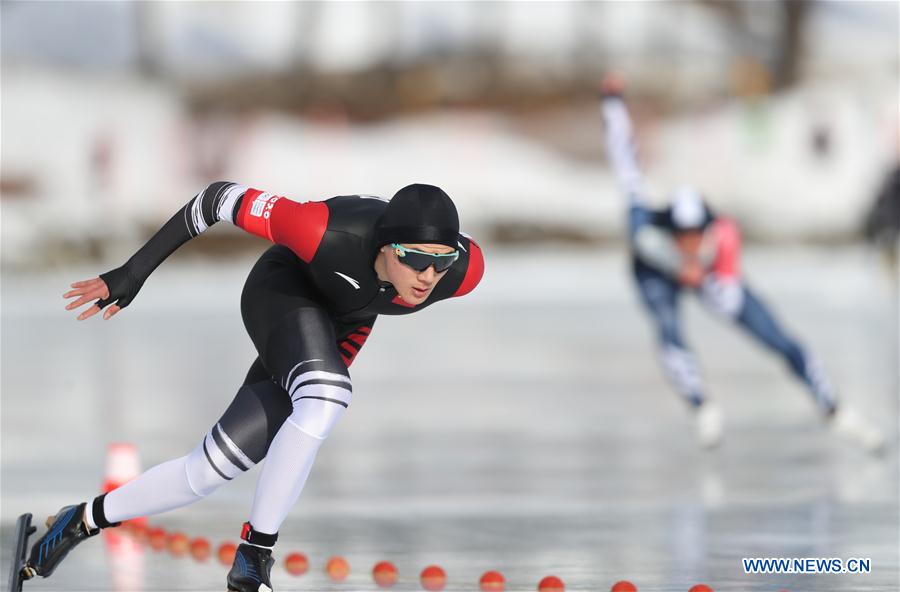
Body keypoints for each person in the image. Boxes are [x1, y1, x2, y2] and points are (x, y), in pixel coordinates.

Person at [21, 182, 484, 591]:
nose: (428, 276)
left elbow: (432, 268)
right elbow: (216, 198)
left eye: (441, 262)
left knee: (208, 470)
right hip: (283, 293)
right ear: (385, 246)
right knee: (326, 396)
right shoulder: (318, 228)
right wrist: (133, 271)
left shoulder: (464, 273)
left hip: (341, 327)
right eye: (416, 258)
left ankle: (80, 520)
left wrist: (436, 264)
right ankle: (255, 554)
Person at [599, 74, 884, 452]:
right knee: (667, 328)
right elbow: (625, 162)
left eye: (696, 236)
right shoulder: (645, 229)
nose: (690, 243)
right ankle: (701, 405)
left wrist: (704, 277)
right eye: (682, 237)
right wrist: (612, 103)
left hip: (709, 276)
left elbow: (733, 303)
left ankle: (832, 406)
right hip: (655, 275)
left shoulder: (723, 239)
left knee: (778, 338)